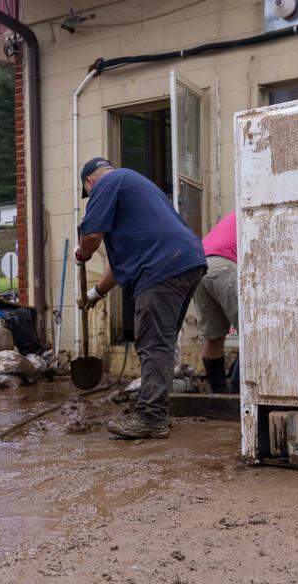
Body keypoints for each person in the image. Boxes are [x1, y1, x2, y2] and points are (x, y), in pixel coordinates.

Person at [76, 157, 206, 439]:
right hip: (186, 260)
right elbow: (116, 266)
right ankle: (155, 409)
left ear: (89, 183)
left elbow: (91, 236)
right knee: (161, 341)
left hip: (161, 267)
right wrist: (95, 294)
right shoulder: (132, 188)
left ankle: (151, 417)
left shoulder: (106, 184)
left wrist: (81, 253)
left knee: (152, 343)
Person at [194, 211, 238, 393]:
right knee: (252, 336)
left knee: (213, 337)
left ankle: (219, 393)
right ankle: (238, 393)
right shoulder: (261, 209)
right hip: (227, 265)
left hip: (199, 264)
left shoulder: (236, 213)